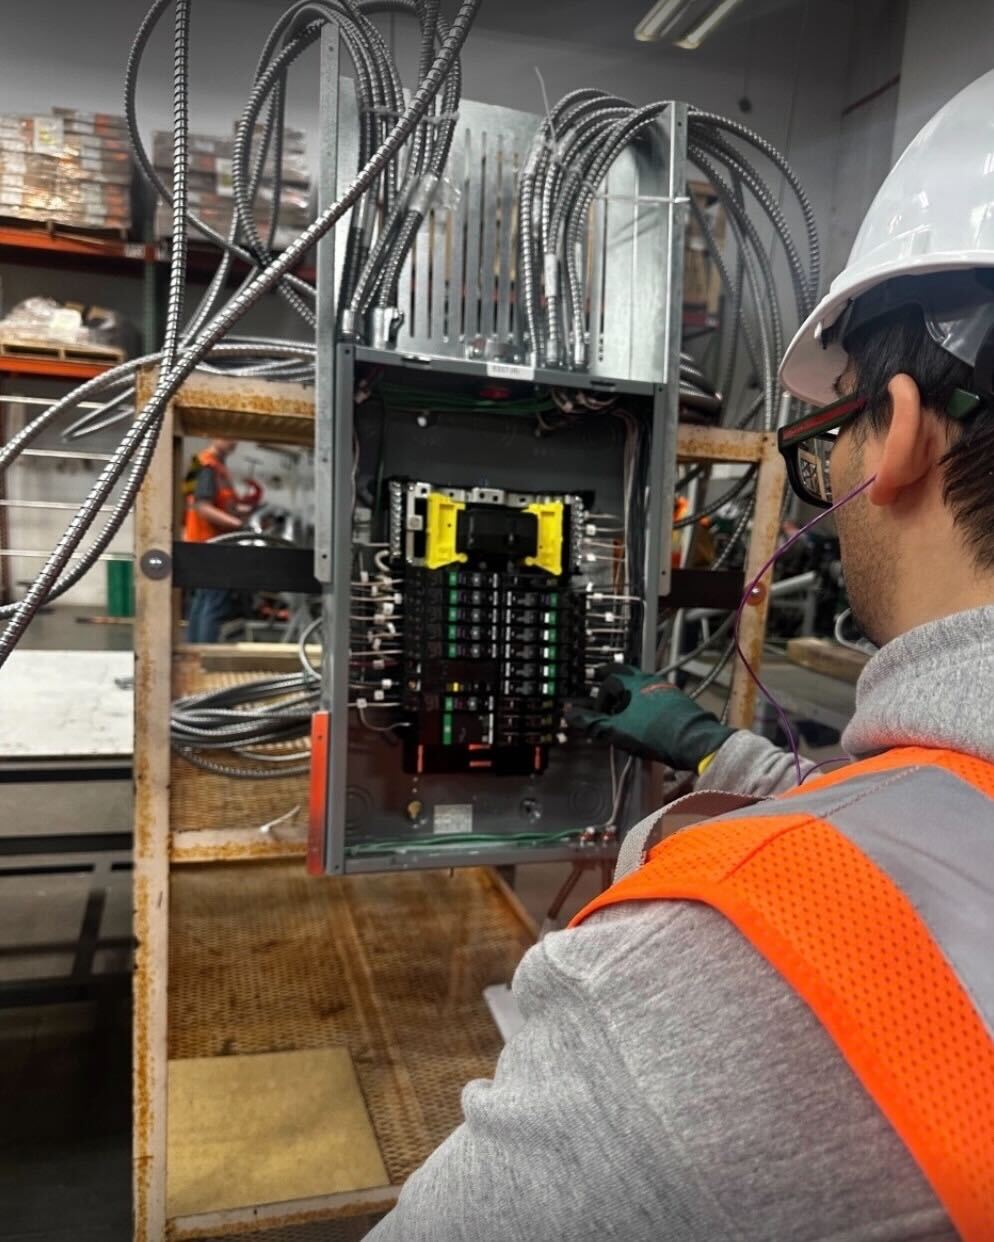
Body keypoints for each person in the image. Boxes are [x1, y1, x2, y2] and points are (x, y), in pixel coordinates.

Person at [366, 71, 994, 1241]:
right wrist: (722, 753)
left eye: (824, 437)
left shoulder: (698, 982)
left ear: (895, 433)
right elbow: (950, 851)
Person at [183, 438, 244, 643]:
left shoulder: (216, 467)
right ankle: (204, 657)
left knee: (203, 601)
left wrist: (240, 511)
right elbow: (202, 506)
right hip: (209, 544)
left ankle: (195, 653)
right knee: (214, 603)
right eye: (228, 435)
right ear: (213, 435)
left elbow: (220, 504)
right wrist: (237, 525)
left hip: (207, 544)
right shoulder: (206, 465)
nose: (233, 441)